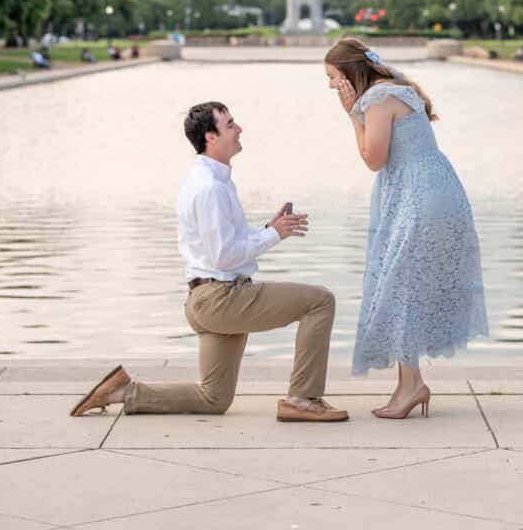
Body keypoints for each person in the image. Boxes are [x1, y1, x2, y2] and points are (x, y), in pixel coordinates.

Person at [70, 100, 348, 423]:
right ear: (209, 137)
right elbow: (223, 256)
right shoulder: (210, 188)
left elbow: (224, 247)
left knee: (214, 398)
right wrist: (274, 234)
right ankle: (302, 399)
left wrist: (268, 229)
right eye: (230, 124)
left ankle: (123, 392)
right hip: (221, 299)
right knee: (320, 302)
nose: (239, 128)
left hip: (206, 299)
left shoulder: (210, 180)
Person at [324, 37, 488, 420]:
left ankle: (412, 385)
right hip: (431, 192)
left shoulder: (376, 99)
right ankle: (408, 384)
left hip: (421, 199)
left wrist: (352, 115)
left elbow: (374, 159)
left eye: (332, 77)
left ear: (350, 73)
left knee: (401, 288)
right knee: (403, 287)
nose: (331, 86)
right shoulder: (393, 89)